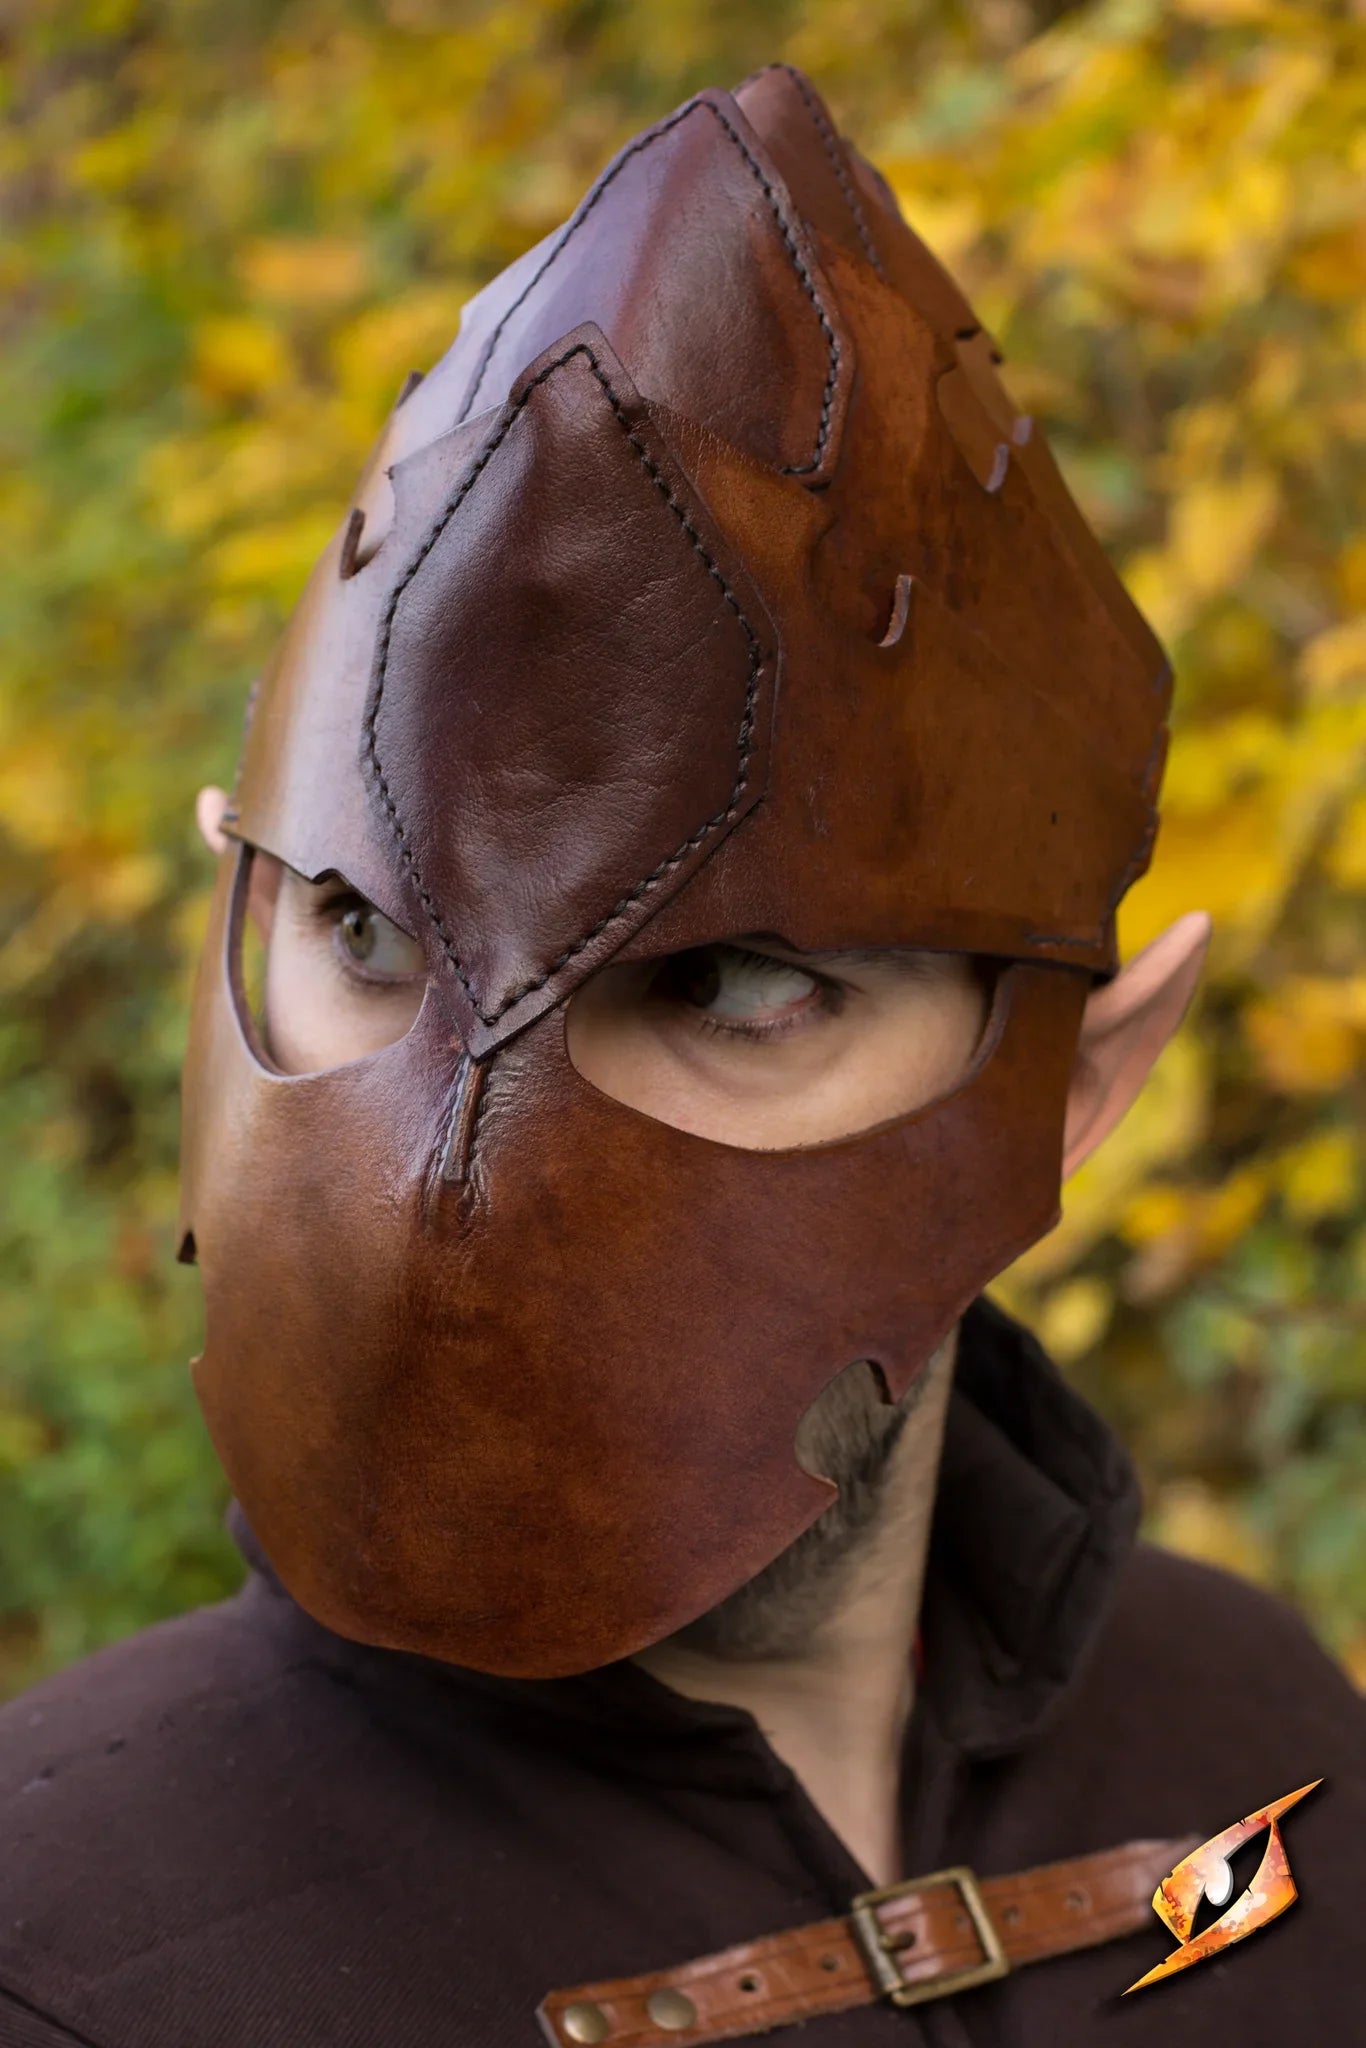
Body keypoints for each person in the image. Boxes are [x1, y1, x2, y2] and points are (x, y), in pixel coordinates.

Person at [0, 63, 1359, 2048]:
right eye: (364, 936)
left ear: (1079, 1079)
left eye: (733, 990)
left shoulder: (1262, 1744)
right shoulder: (62, 1953)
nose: (457, 1178)